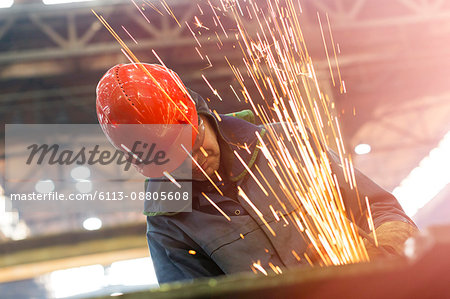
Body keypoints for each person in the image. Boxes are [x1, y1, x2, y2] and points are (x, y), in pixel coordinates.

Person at [96, 63, 418, 284]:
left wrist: (378, 253)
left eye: (194, 146)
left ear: (197, 114)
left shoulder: (284, 143)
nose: (194, 163)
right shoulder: (169, 223)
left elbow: (384, 210)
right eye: (175, 163)